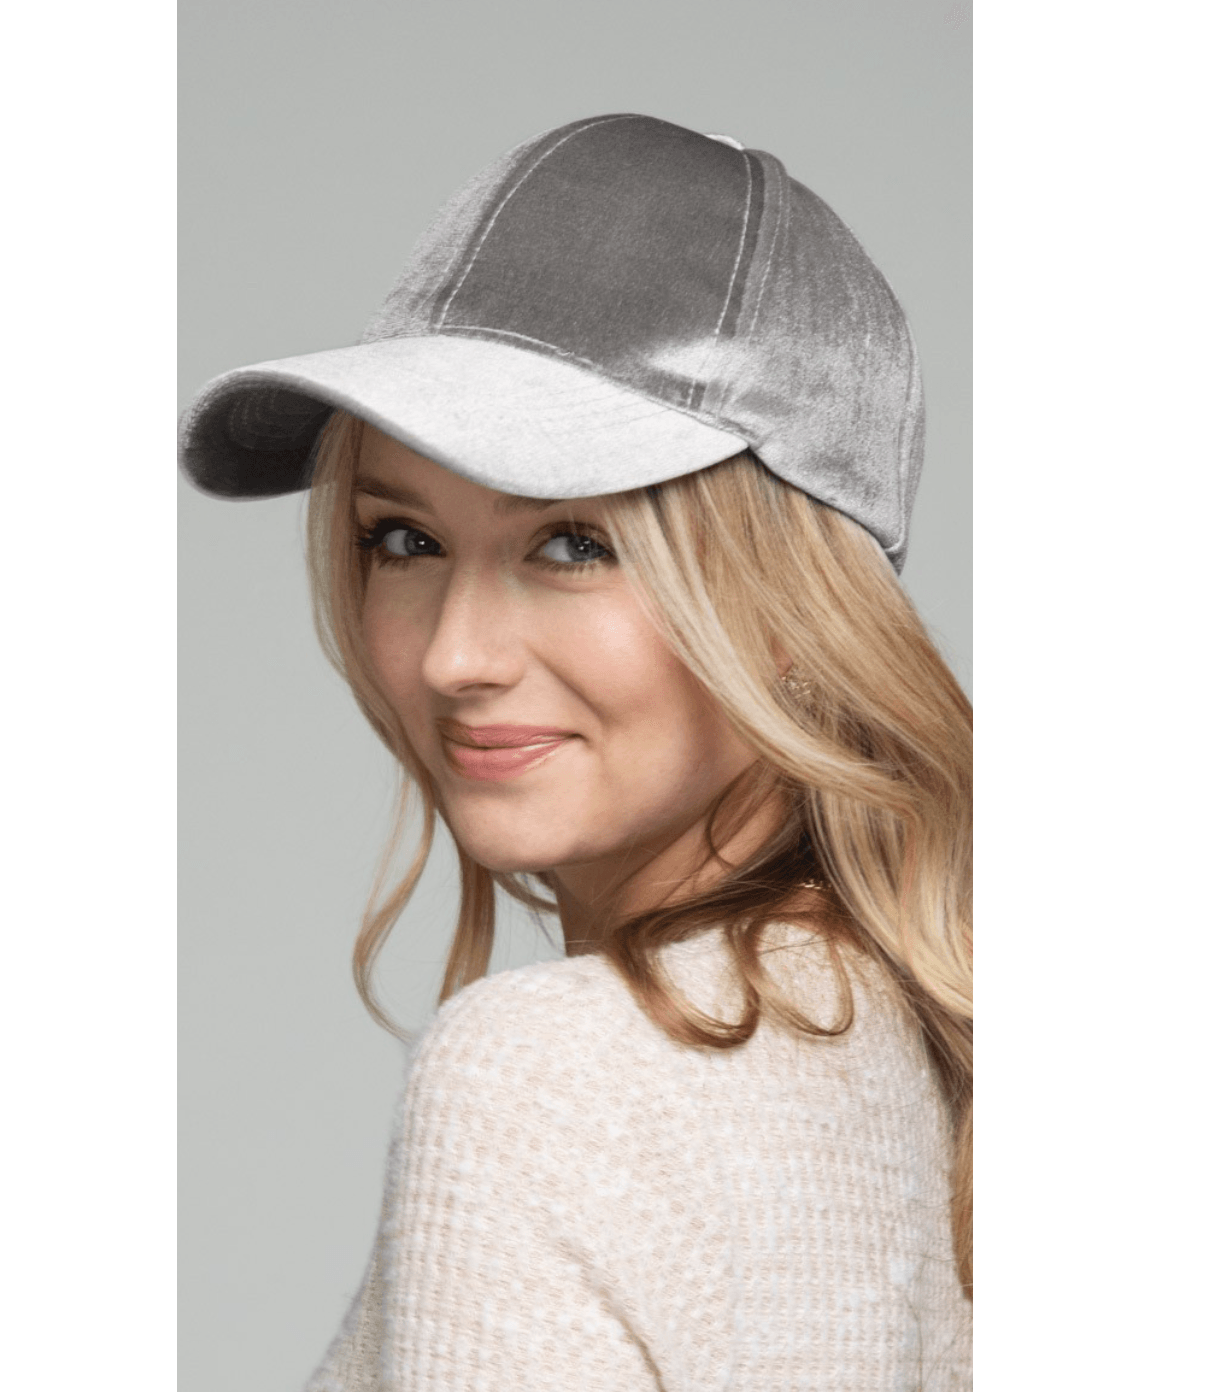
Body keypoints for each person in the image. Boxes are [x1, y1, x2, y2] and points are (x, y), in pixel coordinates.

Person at [180, 113, 972, 1390]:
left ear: (798, 607)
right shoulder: (926, 1051)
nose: (454, 657)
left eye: (572, 545)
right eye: (403, 540)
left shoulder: (546, 1081)